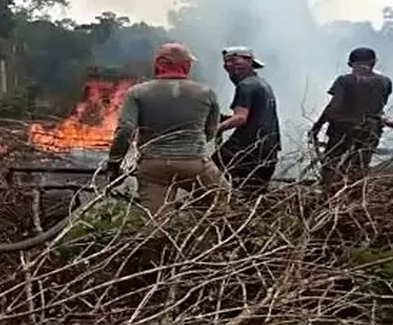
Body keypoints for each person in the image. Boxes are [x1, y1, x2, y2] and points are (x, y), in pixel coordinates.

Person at [108, 43, 230, 215]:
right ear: (186, 66)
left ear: (158, 64)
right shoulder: (206, 93)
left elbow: (125, 130)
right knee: (221, 200)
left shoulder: (137, 92)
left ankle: (160, 237)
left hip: (153, 166)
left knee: (157, 220)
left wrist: (114, 163)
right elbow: (211, 131)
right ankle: (207, 235)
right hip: (194, 163)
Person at [309, 47, 393, 190]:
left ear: (351, 64)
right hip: (370, 131)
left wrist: (317, 125)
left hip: (342, 129)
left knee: (331, 163)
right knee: (359, 167)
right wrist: (385, 120)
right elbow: (378, 108)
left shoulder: (344, 81)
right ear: (374, 62)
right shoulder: (385, 81)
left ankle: (327, 192)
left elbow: (334, 105)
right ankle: (353, 194)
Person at [213, 46, 281, 197]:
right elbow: (252, 115)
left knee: (212, 171)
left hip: (247, 148)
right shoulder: (261, 84)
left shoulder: (246, 86)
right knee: (253, 194)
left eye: (234, 61)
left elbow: (241, 118)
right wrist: (223, 118)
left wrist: (217, 128)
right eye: (227, 63)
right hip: (269, 149)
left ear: (250, 63)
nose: (230, 66)